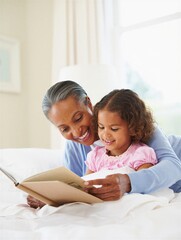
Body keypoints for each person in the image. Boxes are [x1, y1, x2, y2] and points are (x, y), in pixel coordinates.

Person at [27, 80, 181, 208]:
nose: (76, 132)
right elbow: (76, 188)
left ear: (88, 103)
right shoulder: (74, 146)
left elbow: (174, 167)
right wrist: (49, 198)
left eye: (78, 118)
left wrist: (127, 182)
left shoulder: (134, 124)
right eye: (64, 128)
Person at [85, 89, 158, 175]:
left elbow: (143, 185)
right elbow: (85, 185)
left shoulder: (140, 154)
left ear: (132, 127)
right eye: (101, 127)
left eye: (114, 129)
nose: (105, 134)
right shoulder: (95, 156)